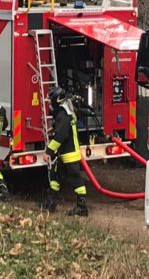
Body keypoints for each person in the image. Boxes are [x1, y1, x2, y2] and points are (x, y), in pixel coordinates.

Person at [40, 87, 88, 216]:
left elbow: (61, 136)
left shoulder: (63, 115)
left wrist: (48, 152)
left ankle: (82, 208)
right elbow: (62, 129)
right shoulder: (66, 111)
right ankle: (50, 204)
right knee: (56, 176)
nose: (50, 104)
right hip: (66, 152)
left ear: (57, 100)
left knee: (76, 179)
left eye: (51, 100)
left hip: (69, 153)